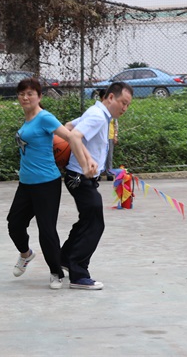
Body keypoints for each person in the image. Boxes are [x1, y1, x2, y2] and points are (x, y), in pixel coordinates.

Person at [7, 77, 96, 290]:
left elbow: (72, 137)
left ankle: (56, 272)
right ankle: (26, 254)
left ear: (39, 96)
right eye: (22, 93)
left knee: (46, 230)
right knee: (14, 224)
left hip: (46, 183)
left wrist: (87, 161)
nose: (25, 97)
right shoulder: (27, 121)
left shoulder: (45, 117)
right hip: (26, 183)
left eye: (30, 93)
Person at [61, 82, 133, 290]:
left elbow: (67, 127)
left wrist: (85, 157)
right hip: (79, 177)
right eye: (123, 103)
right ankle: (79, 274)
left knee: (87, 219)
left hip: (81, 177)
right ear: (110, 97)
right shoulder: (98, 115)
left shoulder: (97, 113)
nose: (124, 108)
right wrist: (86, 163)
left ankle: (64, 258)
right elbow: (73, 135)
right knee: (95, 223)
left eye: (127, 105)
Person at [98, 89, 119, 181]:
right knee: (98, 154)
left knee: (109, 156)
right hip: (100, 136)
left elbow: (115, 124)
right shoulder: (97, 110)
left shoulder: (112, 110)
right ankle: (97, 173)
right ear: (103, 97)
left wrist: (115, 135)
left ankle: (109, 172)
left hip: (110, 136)